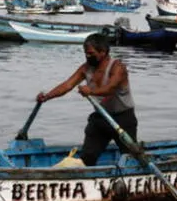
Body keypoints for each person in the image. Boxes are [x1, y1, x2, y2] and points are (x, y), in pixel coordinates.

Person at [36, 33, 137, 166]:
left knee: (131, 157)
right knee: (87, 157)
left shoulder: (118, 68)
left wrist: (91, 91)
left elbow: (110, 89)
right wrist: (47, 96)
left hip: (123, 119)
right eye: (85, 53)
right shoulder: (86, 68)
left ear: (103, 52)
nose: (87, 56)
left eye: (91, 53)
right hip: (101, 117)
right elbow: (67, 85)